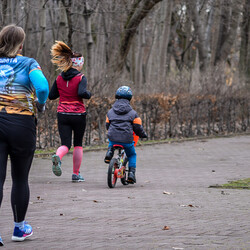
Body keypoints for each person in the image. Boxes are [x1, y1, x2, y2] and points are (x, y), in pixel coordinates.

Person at [0, 24, 49, 245]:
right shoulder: (28, 63)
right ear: (21, 44)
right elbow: (43, 87)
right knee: (20, 179)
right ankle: (19, 229)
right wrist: (40, 104)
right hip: (21, 124)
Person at [49, 41, 91, 182]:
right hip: (78, 114)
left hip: (63, 114)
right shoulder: (81, 77)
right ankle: (75, 174)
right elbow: (81, 92)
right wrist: (88, 94)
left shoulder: (59, 77)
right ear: (78, 63)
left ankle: (58, 157)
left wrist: (63, 91)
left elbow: (52, 95)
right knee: (78, 144)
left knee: (65, 144)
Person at [104, 86, 147, 183]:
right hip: (126, 139)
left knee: (112, 140)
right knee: (132, 155)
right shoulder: (133, 113)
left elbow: (107, 124)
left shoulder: (110, 112)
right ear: (130, 98)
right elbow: (137, 128)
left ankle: (109, 152)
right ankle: (131, 173)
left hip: (113, 137)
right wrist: (143, 135)